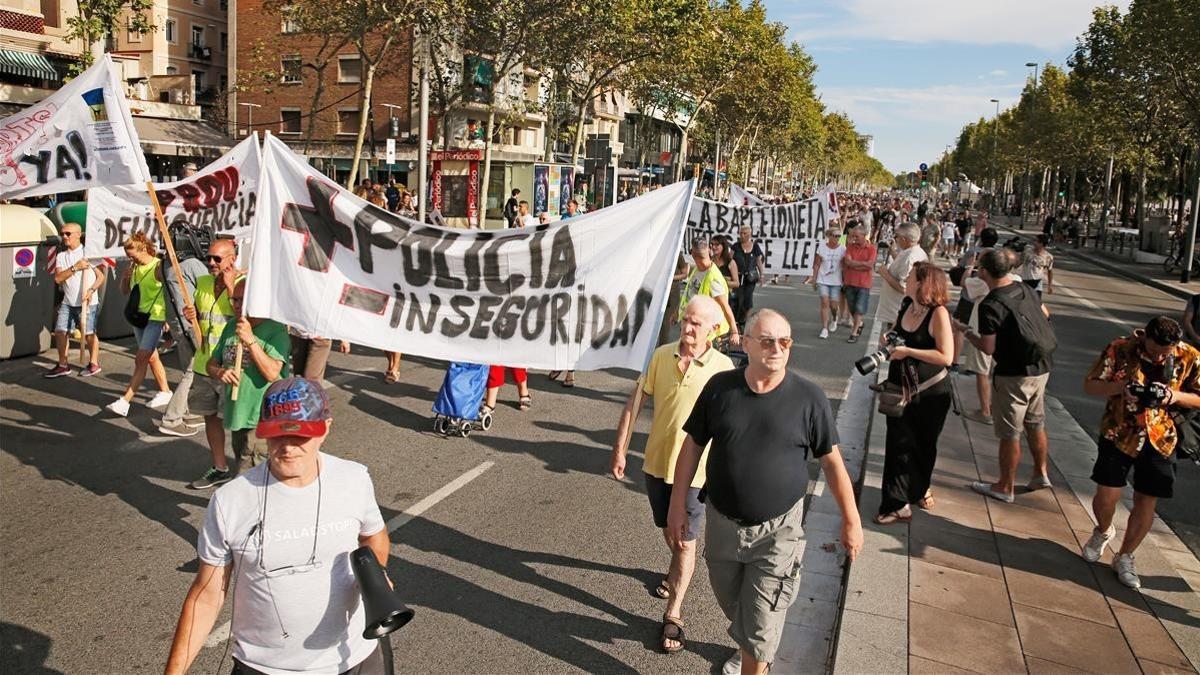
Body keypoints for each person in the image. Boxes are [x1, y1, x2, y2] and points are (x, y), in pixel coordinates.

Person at [667, 309, 862, 675]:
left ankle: (756, 654)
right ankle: (752, 646)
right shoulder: (720, 388)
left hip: (778, 533)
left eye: (784, 342)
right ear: (747, 344)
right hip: (722, 525)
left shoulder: (809, 398)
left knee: (760, 621)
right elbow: (692, 445)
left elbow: (833, 463)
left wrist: (851, 520)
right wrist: (678, 505)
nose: (777, 348)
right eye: (768, 340)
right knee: (733, 601)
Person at [165, 377, 394, 674]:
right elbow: (206, 596)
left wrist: (375, 576)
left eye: (300, 436)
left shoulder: (354, 479)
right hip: (266, 668)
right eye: (276, 435)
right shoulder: (230, 500)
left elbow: (375, 535)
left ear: (325, 428)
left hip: (355, 659)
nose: (287, 448)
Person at [610, 295, 734, 653]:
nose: (688, 327)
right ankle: (674, 568)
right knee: (669, 530)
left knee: (684, 540)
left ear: (714, 329)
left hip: (695, 476)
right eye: (686, 319)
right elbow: (636, 402)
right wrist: (620, 448)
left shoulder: (723, 368)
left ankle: (674, 613)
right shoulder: (662, 355)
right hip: (655, 466)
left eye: (697, 323)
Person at [1081, 317, 1200, 588]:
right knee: (1105, 496)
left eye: (1165, 353)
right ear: (1145, 336)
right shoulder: (1120, 349)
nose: (1159, 357)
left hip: (1162, 437)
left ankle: (1125, 556)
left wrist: (1174, 396)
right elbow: (1090, 385)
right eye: (1155, 350)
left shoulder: (1189, 356)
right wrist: (1120, 388)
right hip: (1119, 432)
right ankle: (1102, 531)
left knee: (1146, 500)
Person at [957, 249, 1055, 503]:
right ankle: (1040, 473)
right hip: (1041, 366)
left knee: (1010, 432)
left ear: (985, 272)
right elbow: (1045, 315)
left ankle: (1005, 486)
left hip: (1014, 373)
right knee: (1036, 422)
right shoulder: (1025, 289)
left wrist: (965, 331)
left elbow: (988, 347)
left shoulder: (992, 304)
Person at [875, 263, 955, 524]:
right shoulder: (906, 305)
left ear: (923, 283)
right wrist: (890, 339)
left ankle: (919, 488)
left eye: (910, 277)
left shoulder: (938, 313)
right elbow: (900, 336)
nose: (905, 280)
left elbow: (946, 356)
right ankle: (896, 504)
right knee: (898, 445)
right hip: (900, 389)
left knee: (923, 445)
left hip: (930, 394)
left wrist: (909, 352)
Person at [206, 279, 290, 474]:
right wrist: (220, 372)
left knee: (248, 480)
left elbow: (272, 373)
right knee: (250, 474)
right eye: (234, 299)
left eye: (242, 300)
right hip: (237, 414)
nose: (236, 305)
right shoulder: (232, 326)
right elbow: (211, 364)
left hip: (261, 418)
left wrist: (251, 340)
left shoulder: (275, 330)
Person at [106, 233, 173, 416]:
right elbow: (124, 291)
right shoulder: (133, 267)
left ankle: (125, 400)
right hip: (138, 317)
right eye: (128, 256)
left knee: (141, 358)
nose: (130, 258)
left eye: (132, 255)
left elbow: (169, 292)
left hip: (155, 316)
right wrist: (125, 278)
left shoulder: (157, 266)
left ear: (143, 249)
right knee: (151, 357)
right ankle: (165, 391)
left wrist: (168, 318)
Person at [44, 223, 105, 378]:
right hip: (68, 301)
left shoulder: (88, 254)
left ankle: (94, 363)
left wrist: (91, 290)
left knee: (89, 333)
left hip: (87, 302)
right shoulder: (61, 256)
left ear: (78, 234)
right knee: (60, 331)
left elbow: (101, 277)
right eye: (62, 233)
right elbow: (58, 278)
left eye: (68, 233)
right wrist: (75, 267)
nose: (64, 236)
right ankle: (63, 364)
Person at [676, 239, 739, 348]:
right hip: (692, 323)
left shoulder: (713, 278)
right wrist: (677, 311)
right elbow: (689, 292)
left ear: (693, 254)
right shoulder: (697, 269)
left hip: (705, 331)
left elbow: (725, 306)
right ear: (709, 251)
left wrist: (734, 332)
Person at [876, 223, 928, 332]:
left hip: (898, 311)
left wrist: (885, 274)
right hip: (899, 311)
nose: (896, 239)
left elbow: (904, 288)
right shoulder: (915, 252)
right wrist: (894, 252)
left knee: (892, 344)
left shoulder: (910, 257)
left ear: (904, 239)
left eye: (897, 236)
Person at [842, 225, 876, 344]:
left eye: (857, 236)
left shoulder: (871, 248)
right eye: (853, 236)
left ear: (864, 236)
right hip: (849, 281)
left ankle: (854, 332)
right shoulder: (850, 247)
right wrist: (862, 264)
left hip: (864, 283)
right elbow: (847, 261)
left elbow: (870, 265)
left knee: (859, 308)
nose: (854, 238)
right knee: (852, 308)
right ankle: (859, 323)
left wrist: (853, 264)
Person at [810, 227, 845, 339]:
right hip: (822, 279)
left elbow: (845, 266)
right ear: (829, 236)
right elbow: (816, 264)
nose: (838, 238)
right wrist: (814, 279)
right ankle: (824, 328)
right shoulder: (822, 247)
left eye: (839, 236)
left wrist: (845, 280)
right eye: (835, 236)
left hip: (836, 281)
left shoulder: (842, 249)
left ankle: (834, 318)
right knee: (825, 302)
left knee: (834, 305)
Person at [731, 225, 764, 327]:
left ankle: (746, 321)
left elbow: (758, 261)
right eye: (740, 233)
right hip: (737, 277)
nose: (742, 235)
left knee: (747, 299)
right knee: (736, 298)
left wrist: (762, 275)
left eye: (744, 233)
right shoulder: (735, 246)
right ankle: (736, 320)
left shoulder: (755, 247)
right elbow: (729, 259)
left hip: (750, 278)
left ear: (749, 234)